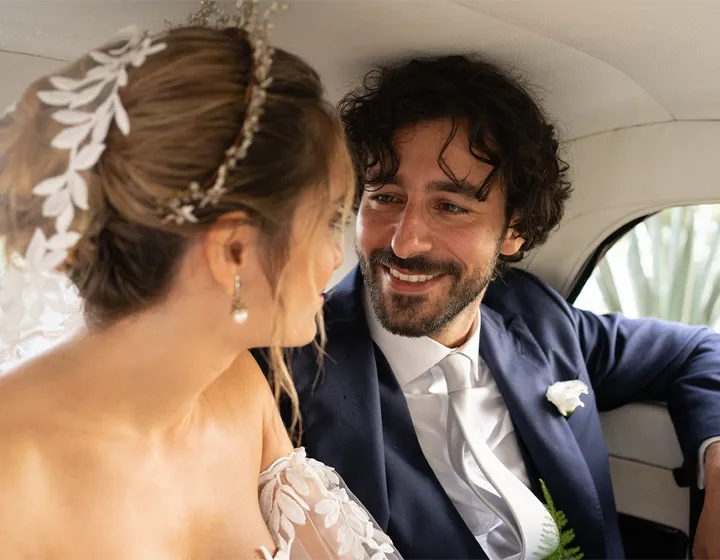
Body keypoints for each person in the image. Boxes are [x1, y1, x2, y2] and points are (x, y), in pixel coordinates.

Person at [0, 5, 403, 559]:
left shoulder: (238, 385)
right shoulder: (12, 477)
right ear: (233, 251)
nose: (337, 256)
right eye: (328, 219)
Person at [280, 55, 720, 560]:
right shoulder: (288, 371)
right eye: (385, 197)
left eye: (450, 206)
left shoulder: (536, 317)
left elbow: (699, 351)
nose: (404, 242)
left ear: (515, 230)